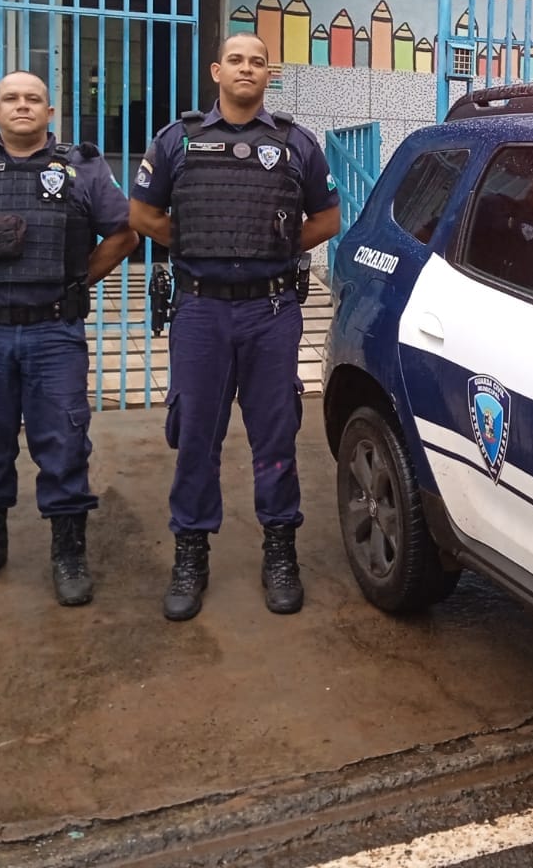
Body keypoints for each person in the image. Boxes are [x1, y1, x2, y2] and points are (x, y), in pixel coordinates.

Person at [129, 32, 340, 622]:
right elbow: (142, 214)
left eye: (259, 61)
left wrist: (274, 245)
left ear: (268, 75)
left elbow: (327, 217)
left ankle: (280, 553)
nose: (248, 68)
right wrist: (194, 243)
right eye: (238, 60)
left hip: (271, 312)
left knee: (276, 436)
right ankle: (191, 554)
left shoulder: (296, 143)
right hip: (200, 310)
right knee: (196, 434)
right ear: (217, 71)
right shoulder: (178, 140)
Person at [0, 72, 138, 606]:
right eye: (11, 99)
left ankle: (68, 552)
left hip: (53, 330)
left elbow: (125, 233)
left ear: (50, 111)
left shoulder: (83, 168)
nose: (22, 106)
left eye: (33, 99)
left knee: (62, 441)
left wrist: (78, 280)